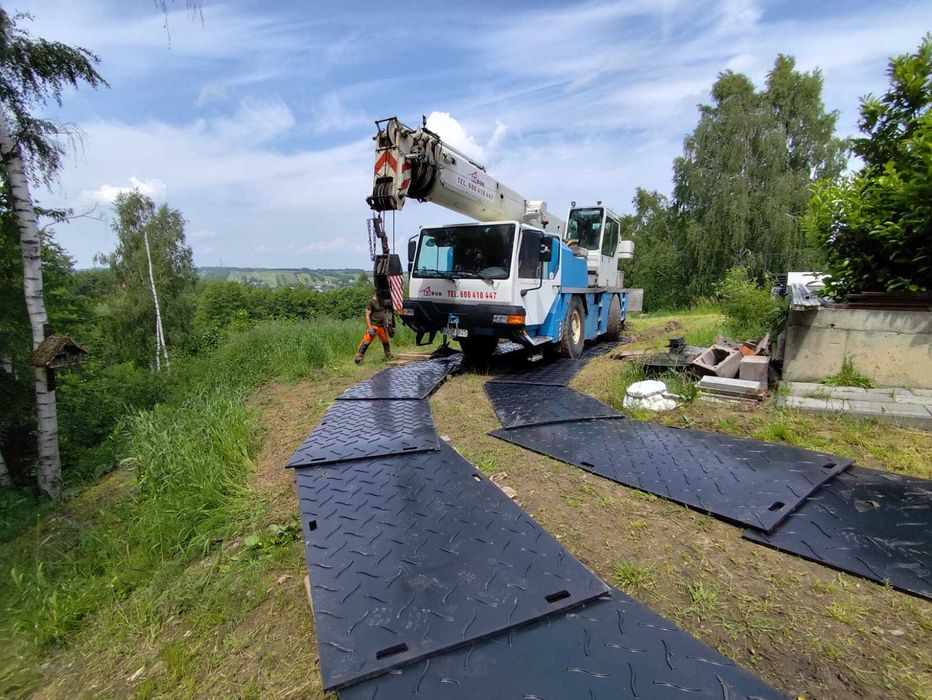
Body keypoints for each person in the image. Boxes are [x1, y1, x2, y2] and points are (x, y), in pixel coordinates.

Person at [355, 292, 393, 364]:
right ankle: (358, 360)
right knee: (366, 342)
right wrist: (370, 328)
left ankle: (388, 356)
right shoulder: (371, 302)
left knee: (385, 341)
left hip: (381, 326)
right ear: (375, 293)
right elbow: (367, 315)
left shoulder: (381, 302)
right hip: (373, 326)